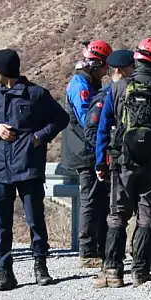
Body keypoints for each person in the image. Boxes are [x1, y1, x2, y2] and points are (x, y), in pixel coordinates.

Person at [0, 49, 70, 291]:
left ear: (5, 70)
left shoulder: (36, 95)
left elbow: (60, 119)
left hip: (28, 168)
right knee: (2, 224)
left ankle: (41, 267)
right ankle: (5, 272)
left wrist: (40, 136)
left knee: (35, 220)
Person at [93, 38, 151, 288]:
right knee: (147, 215)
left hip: (123, 162)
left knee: (117, 215)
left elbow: (103, 129)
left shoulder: (118, 88)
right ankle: (141, 271)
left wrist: (100, 162)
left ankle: (112, 270)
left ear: (137, 60)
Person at [60, 40, 113, 268]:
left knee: (99, 200)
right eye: (104, 67)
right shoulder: (80, 86)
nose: (106, 72)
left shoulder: (90, 83)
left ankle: (99, 247)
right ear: (95, 63)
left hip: (91, 150)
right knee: (90, 201)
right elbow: (88, 121)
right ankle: (88, 251)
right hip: (85, 151)